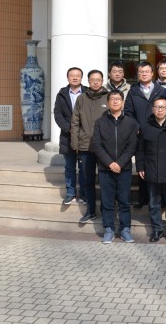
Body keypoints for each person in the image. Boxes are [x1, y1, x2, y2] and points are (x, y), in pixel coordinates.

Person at [91, 90, 139, 244]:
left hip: (124, 169)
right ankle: (109, 229)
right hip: (105, 169)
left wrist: (120, 163)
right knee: (107, 201)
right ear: (108, 102)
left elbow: (132, 145)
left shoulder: (131, 123)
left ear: (123, 102)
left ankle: (125, 229)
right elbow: (97, 145)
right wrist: (110, 163)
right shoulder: (100, 122)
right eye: (112, 99)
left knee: (124, 200)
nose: (115, 101)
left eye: (118, 99)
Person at [136, 96, 166, 243]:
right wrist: (140, 166)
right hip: (151, 169)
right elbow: (140, 150)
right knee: (154, 202)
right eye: (157, 107)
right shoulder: (145, 127)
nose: (160, 110)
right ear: (152, 109)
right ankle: (157, 229)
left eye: (163, 107)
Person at [124, 61, 166, 208]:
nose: (144, 74)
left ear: (152, 73)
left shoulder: (161, 90)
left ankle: (159, 199)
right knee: (142, 165)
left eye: (147, 71)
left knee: (158, 164)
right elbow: (128, 112)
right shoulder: (133, 91)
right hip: (140, 134)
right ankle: (143, 198)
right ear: (138, 74)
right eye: (141, 72)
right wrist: (137, 127)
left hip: (158, 133)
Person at [70, 69, 109, 222]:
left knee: (105, 181)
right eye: (92, 80)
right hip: (85, 146)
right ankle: (90, 210)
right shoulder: (81, 98)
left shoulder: (109, 97)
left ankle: (106, 210)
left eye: (98, 79)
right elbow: (75, 122)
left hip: (104, 148)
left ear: (102, 81)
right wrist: (75, 143)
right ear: (88, 81)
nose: (95, 82)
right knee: (88, 181)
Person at [53, 67, 87, 205]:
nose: (75, 77)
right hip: (67, 136)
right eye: (72, 75)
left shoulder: (88, 92)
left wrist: (83, 130)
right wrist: (69, 128)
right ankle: (70, 193)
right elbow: (58, 115)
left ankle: (84, 194)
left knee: (84, 167)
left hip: (84, 136)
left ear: (81, 78)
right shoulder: (62, 94)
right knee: (69, 167)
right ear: (68, 77)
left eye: (77, 75)